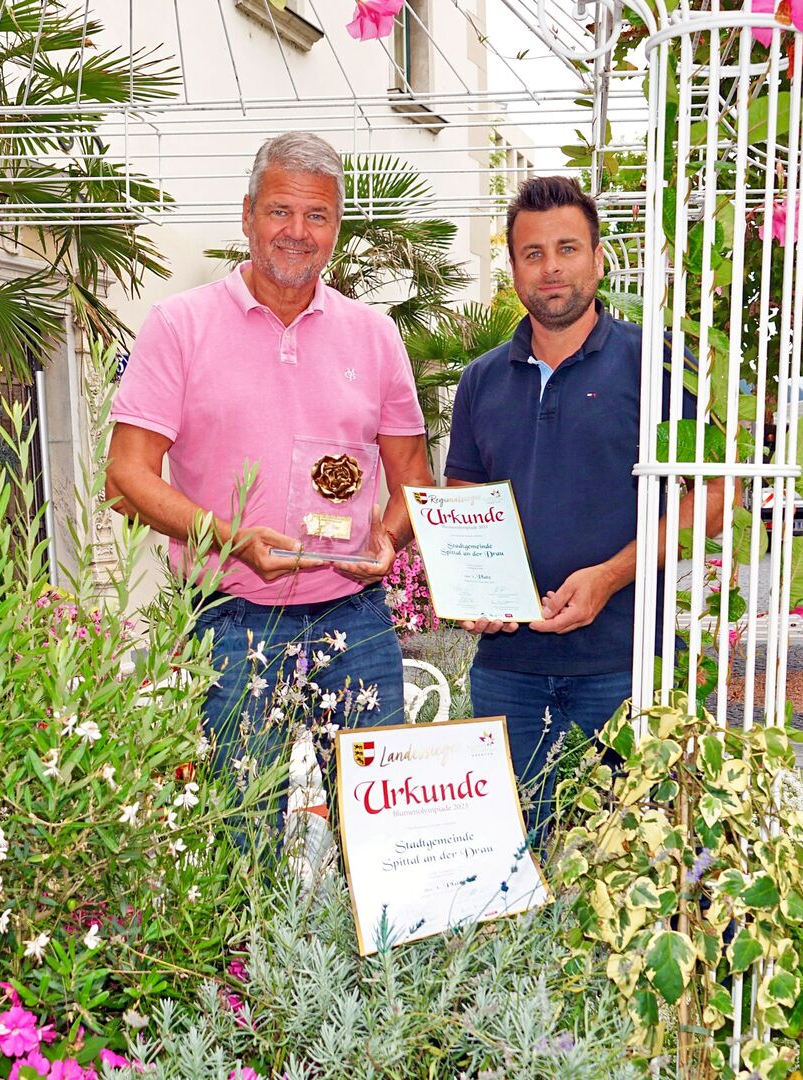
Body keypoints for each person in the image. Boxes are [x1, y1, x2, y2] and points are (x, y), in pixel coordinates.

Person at [106, 131, 434, 823]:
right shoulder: (178, 326)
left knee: (383, 834)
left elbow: (412, 483)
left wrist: (389, 540)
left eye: (317, 216)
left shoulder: (375, 336)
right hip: (229, 615)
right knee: (238, 832)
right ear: (248, 213)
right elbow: (125, 477)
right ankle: (249, 936)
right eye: (281, 211)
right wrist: (228, 538)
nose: (297, 232)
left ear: (336, 228)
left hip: (354, 617)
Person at [445, 175, 721, 808]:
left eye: (568, 249)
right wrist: (473, 591)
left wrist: (611, 576)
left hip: (626, 666)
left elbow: (712, 496)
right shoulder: (481, 380)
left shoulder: (658, 363)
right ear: (512, 265)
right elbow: (464, 503)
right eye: (533, 253)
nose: (551, 269)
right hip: (506, 671)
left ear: (598, 258)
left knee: (634, 863)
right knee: (513, 865)